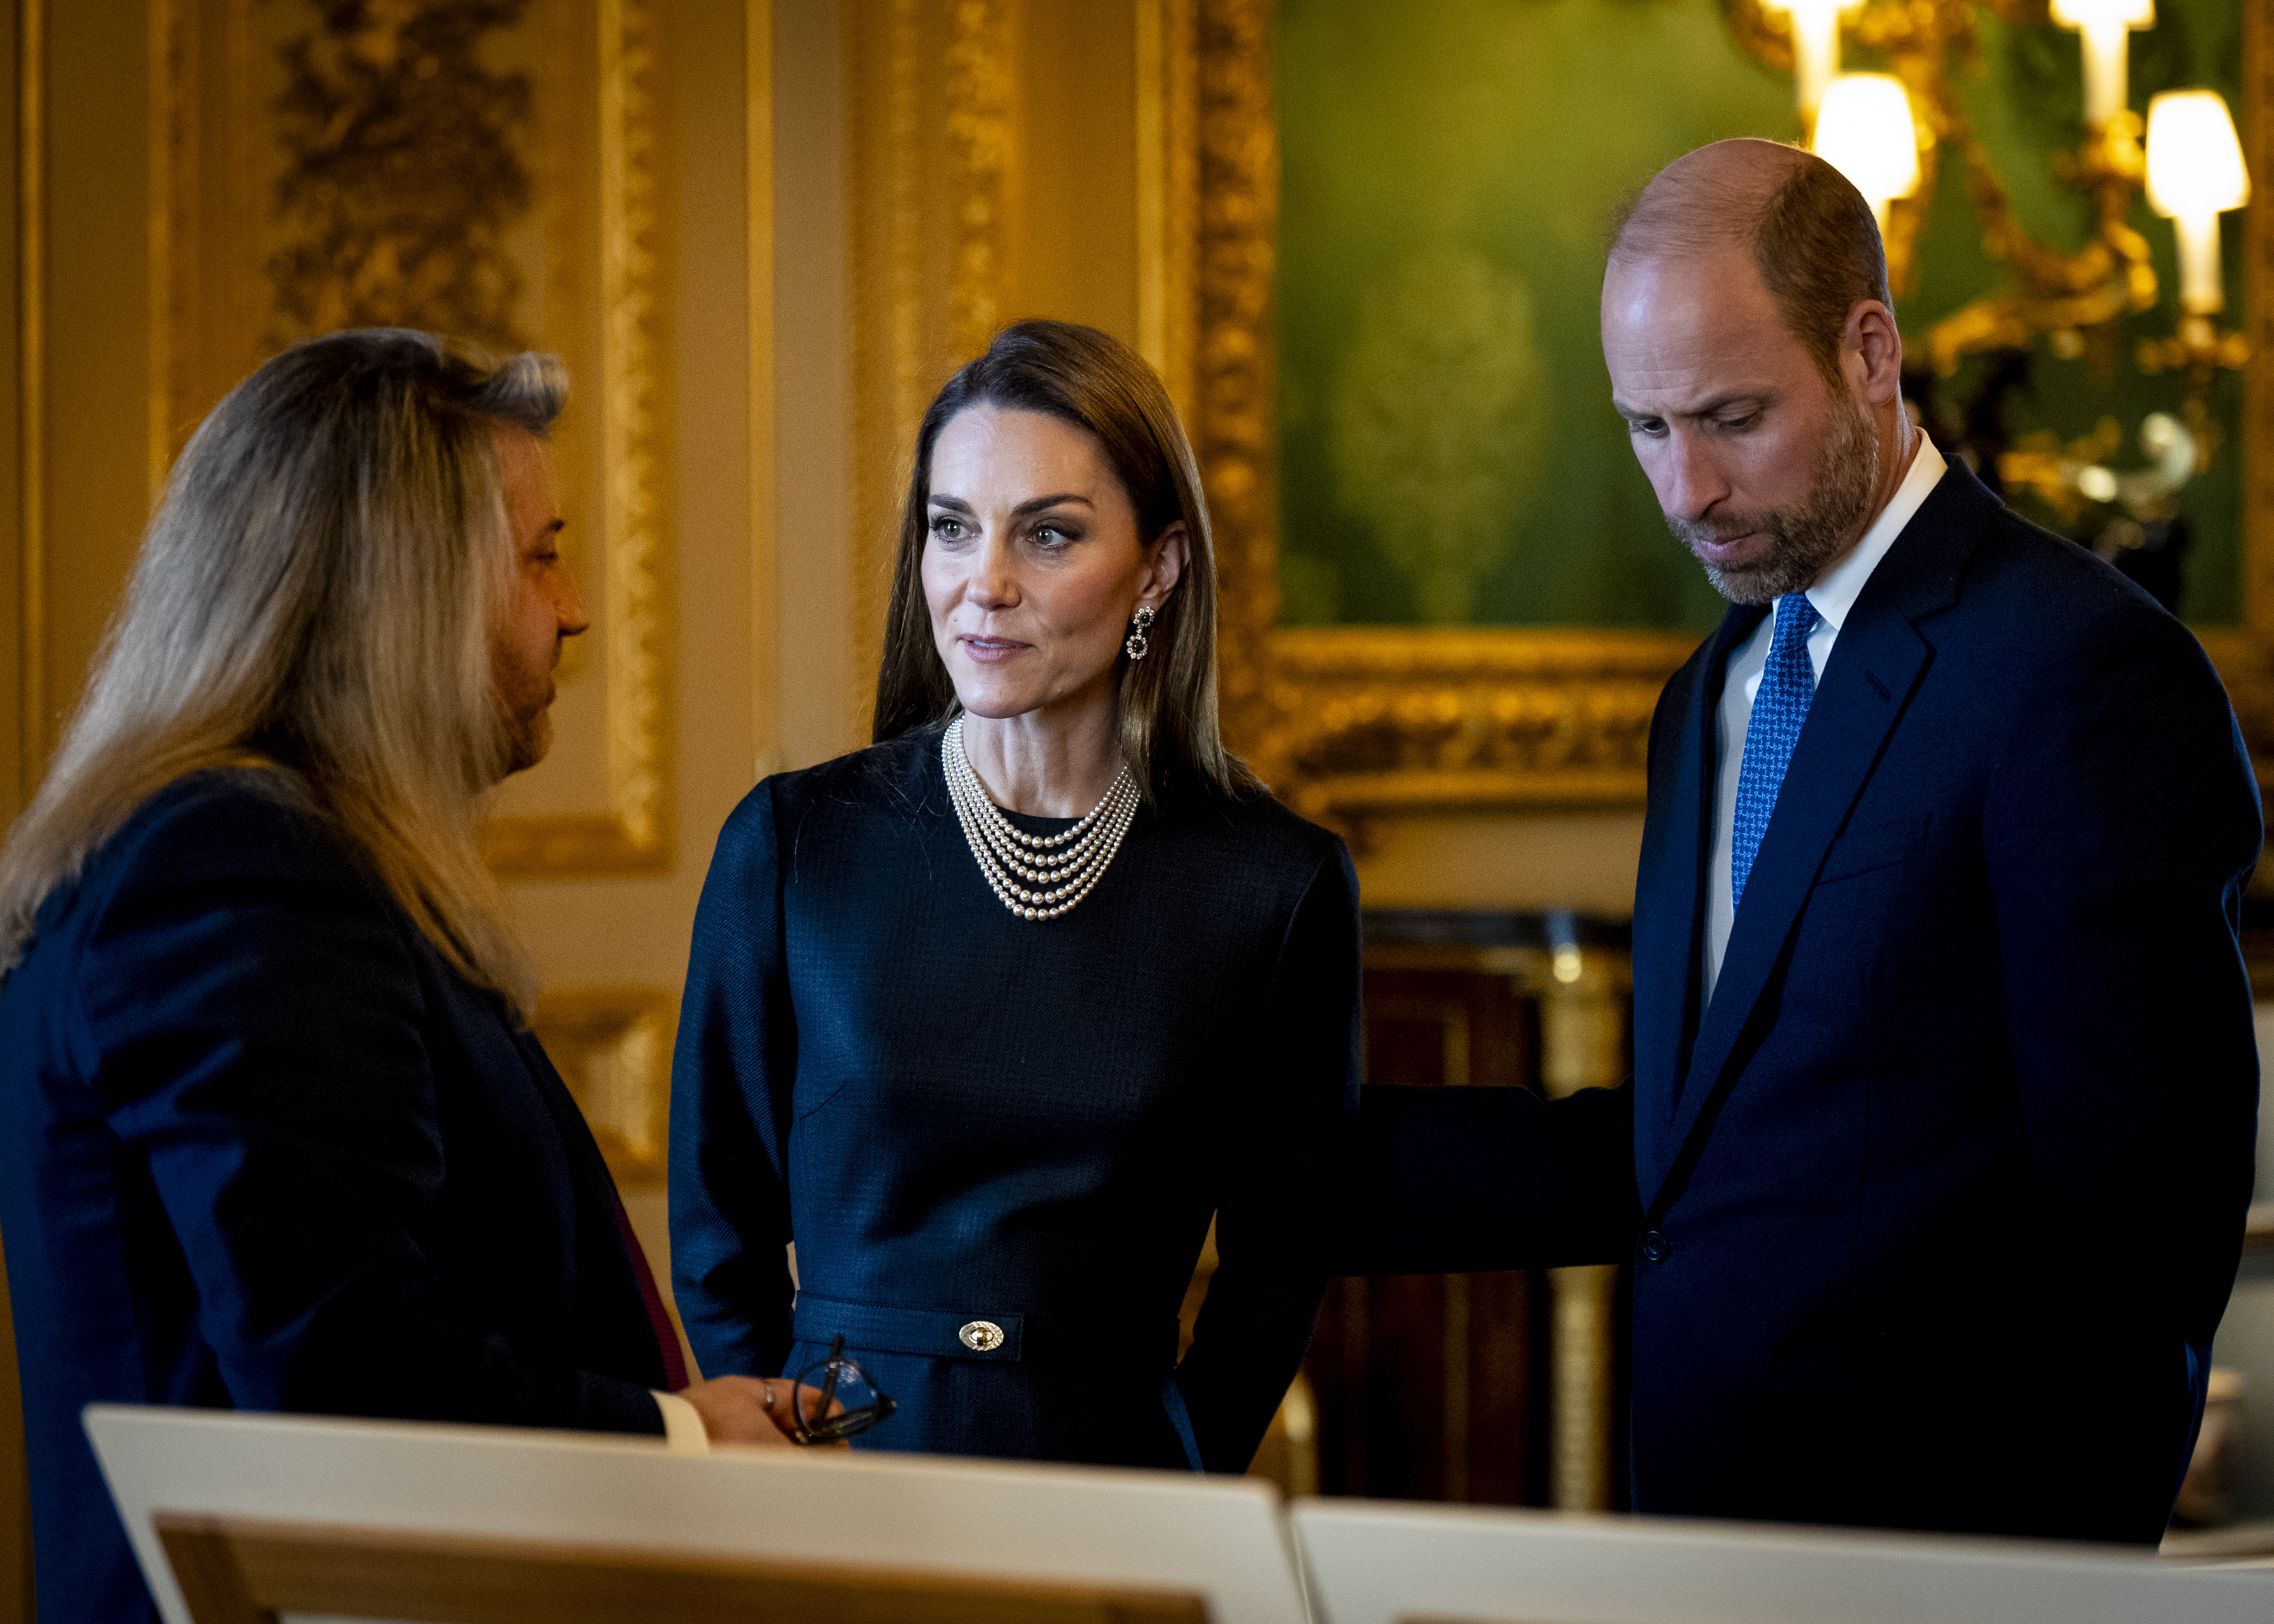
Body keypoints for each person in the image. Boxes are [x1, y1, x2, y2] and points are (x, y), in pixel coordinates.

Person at [1350, 141, 2261, 1541]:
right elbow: (1700, 1146)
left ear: (1871, 352)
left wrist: (2047, 1581)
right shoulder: (1706, 694)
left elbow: (2149, 1212)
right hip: (1704, 1541)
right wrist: (1265, 1155)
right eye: (1648, 429)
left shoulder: (2079, 669)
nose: (1686, 490)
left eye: (1731, 417)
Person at [0, 330, 807, 1624]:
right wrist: (687, 1440)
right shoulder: (238, 867)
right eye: (541, 555)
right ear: (404, 594)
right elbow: (343, 1377)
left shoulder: (264, 855)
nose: (578, 607)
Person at [671, 319, 1360, 1472]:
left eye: (1048, 536)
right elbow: (716, 1226)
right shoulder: (796, 845)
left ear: (1158, 568)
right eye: (953, 529)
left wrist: (1178, 1467)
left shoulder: (1272, 883)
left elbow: (1280, 1262)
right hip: (837, 1474)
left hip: (1113, 1479)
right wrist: (796, 1448)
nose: (984, 584)